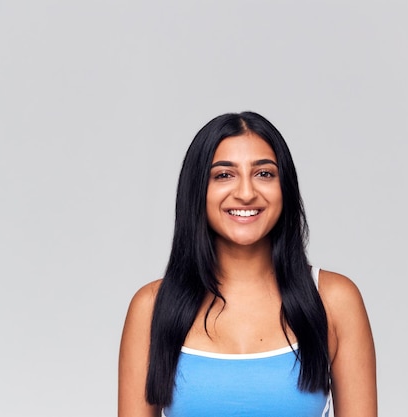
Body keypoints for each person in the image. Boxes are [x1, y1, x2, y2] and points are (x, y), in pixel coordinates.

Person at [118, 112, 377, 417]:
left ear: (286, 188)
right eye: (224, 175)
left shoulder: (334, 300)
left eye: (264, 173)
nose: (245, 193)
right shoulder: (151, 307)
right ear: (197, 190)